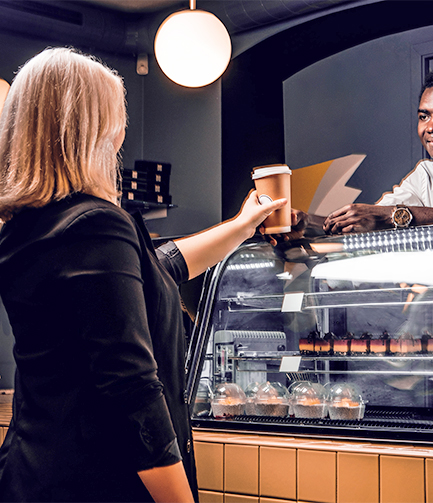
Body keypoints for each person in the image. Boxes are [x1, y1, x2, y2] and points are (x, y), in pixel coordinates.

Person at [0, 48, 285, 502]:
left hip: (34, 468)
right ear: (89, 127)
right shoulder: (95, 222)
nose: (120, 132)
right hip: (96, 479)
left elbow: (159, 266)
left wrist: (239, 227)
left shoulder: (27, 226)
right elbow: (129, 387)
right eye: (115, 116)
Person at [305, 65, 433, 235]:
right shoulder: (425, 175)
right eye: (424, 117)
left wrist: (397, 216)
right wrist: (308, 222)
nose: (432, 127)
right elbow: (371, 219)